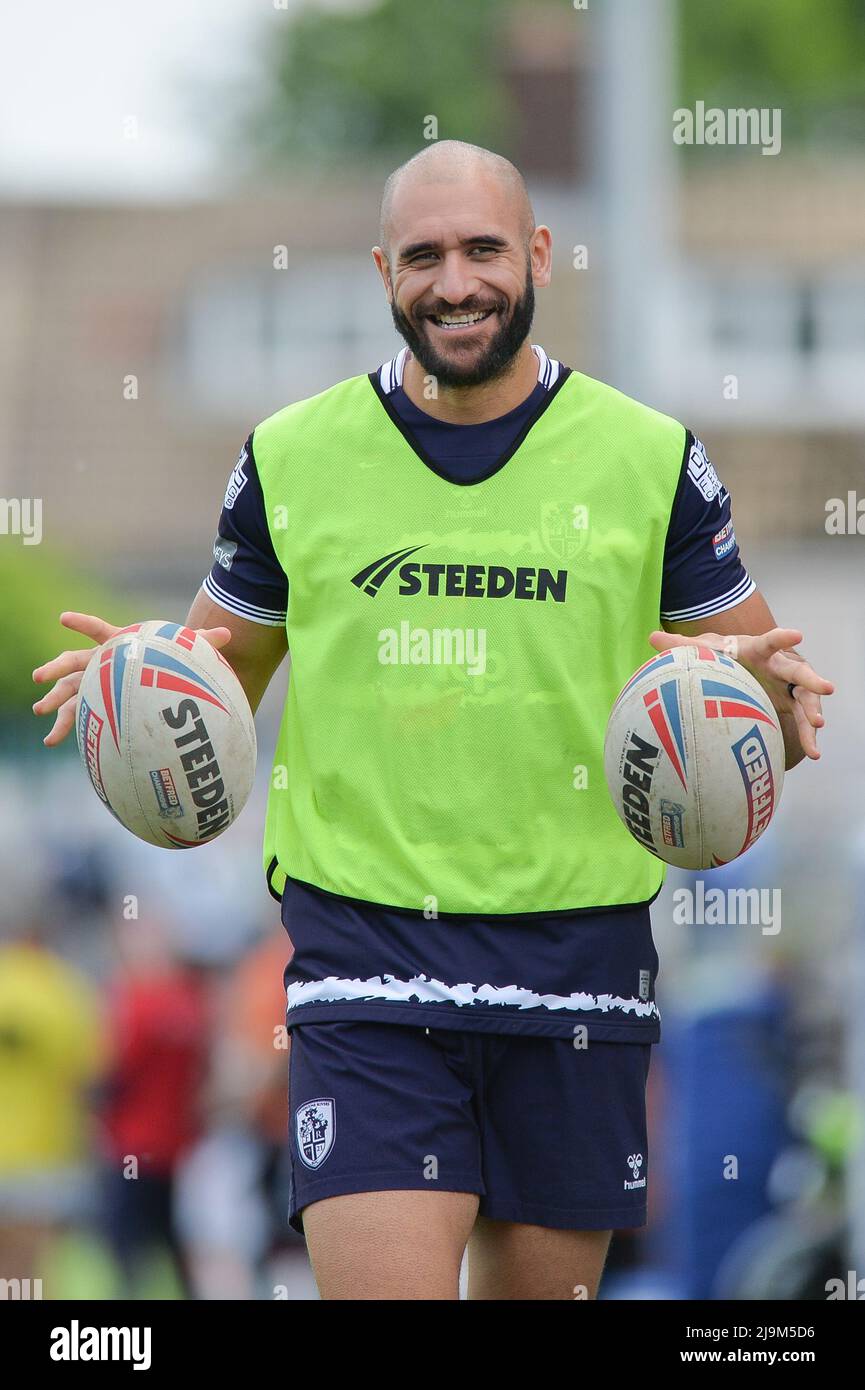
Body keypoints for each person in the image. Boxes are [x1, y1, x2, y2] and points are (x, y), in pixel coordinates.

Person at [32, 140, 834, 1301]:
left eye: (481, 250)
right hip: (367, 961)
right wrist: (142, 690)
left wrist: (772, 696)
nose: (454, 281)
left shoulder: (649, 459)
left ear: (539, 256)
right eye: (423, 256)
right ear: (382, 271)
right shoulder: (290, 457)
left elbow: (755, 694)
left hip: (579, 964)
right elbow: (218, 684)